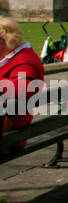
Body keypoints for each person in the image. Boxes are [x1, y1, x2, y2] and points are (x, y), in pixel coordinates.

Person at [0, 16, 44, 154]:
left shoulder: (24, 61)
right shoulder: (13, 58)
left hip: (9, 135)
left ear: (3, 42)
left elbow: (22, 89)